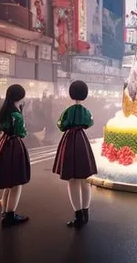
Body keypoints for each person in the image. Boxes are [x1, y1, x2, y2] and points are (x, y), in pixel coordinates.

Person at [52, 81, 97, 228]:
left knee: (72, 180)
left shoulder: (68, 111)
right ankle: (85, 213)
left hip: (70, 141)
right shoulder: (86, 111)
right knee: (84, 180)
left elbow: (61, 125)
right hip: (82, 142)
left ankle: (78, 215)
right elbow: (90, 123)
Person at [0, 85, 30, 228]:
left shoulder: (5, 111)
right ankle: (10, 215)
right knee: (16, 183)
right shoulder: (16, 114)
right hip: (14, 145)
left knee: (8, 182)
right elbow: (22, 132)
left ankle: (5, 212)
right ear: (21, 96)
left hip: (3, 144)